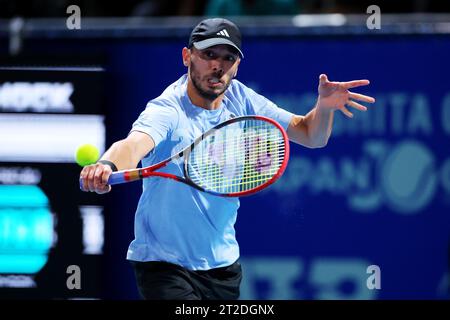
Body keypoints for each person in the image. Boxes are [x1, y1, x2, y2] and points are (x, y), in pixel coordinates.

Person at [79, 17, 375, 300]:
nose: (218, 66)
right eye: (209, 54)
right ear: (187, 56)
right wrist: (106, 165)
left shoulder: (242, 99)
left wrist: (323, 108)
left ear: (237, 65)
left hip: (223, 267)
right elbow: (133, 145)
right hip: (164, 266)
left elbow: (311, 135)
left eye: (227, 58)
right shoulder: (167, 110)